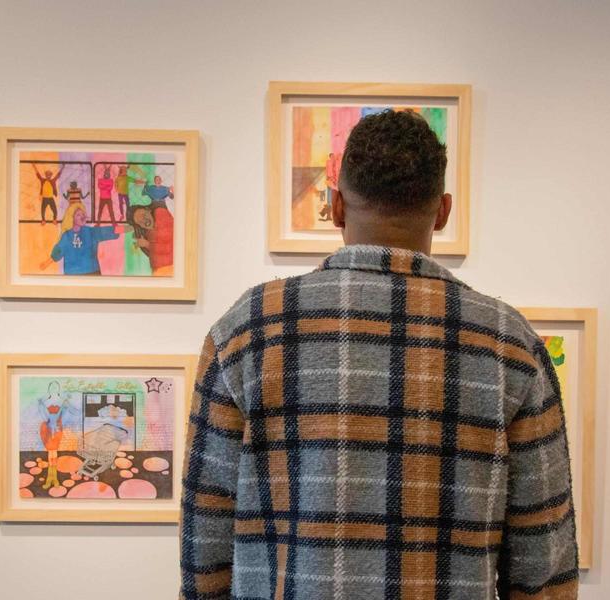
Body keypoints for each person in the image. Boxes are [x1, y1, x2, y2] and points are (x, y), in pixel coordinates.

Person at [180, 110, 578, 600]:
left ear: (337, 206)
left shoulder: (247, 329)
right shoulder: (511, 345)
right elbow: (544, 563)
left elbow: (206, 540)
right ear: (443, 211)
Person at [41, 207, 119, 275]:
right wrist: (45, 264)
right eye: (78, 215)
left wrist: (130, 228)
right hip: (73, 275)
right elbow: (58, 252)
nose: (82, 217)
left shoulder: (91, 232)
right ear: (72, 218)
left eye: (83, 214)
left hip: (92, 273)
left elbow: (111, 231)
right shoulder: (67, 236)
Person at [129, 201, 173, 275]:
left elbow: (170, 247)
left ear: (148, 210)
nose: (143, 220)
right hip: (159, 272)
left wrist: (147, 245)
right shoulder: (149, 234)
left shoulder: (160, 214)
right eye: (139, 222)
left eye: (143, 215)